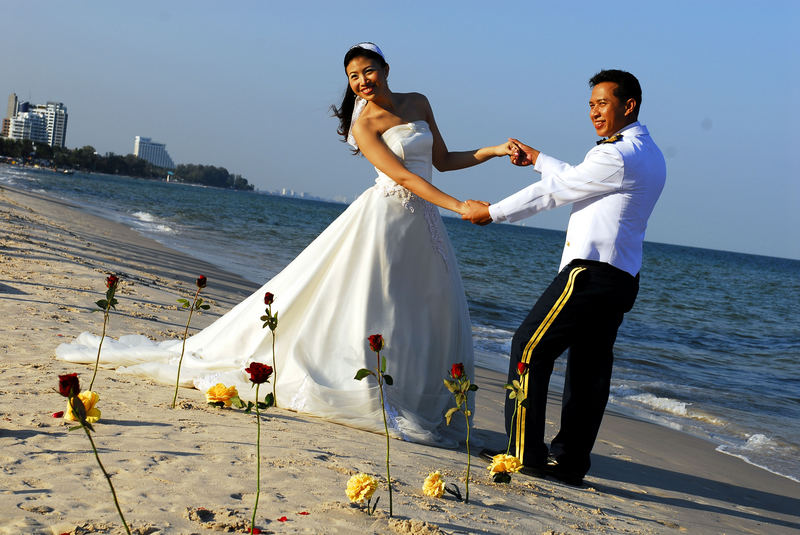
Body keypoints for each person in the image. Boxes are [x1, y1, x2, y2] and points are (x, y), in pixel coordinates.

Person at [57, 42, 513, 447]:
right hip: (388, 220)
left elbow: (441, 160)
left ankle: (420, 397)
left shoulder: (419, 102)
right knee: (380, 303)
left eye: (367, 71)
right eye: (353, 77)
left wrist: (492, 150)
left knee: (423, 306)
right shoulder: (364, 122)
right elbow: (402, 175)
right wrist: (459, 207)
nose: (361, 82)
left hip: (425, 224)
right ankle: (379, 391)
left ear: (386, 68)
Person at [463, 69, 666, 485]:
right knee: (589, 370)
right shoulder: (647, 152)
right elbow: (577, 177)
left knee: (528, 347)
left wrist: (493, 212)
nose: (594, 111)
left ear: (628, 106)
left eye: (603, 103)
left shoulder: (617, 155)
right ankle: (570, 461)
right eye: (591, 104)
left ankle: (523, 452)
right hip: (622, 278)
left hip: (590, 274)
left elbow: (557, 191)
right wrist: (538, 160)